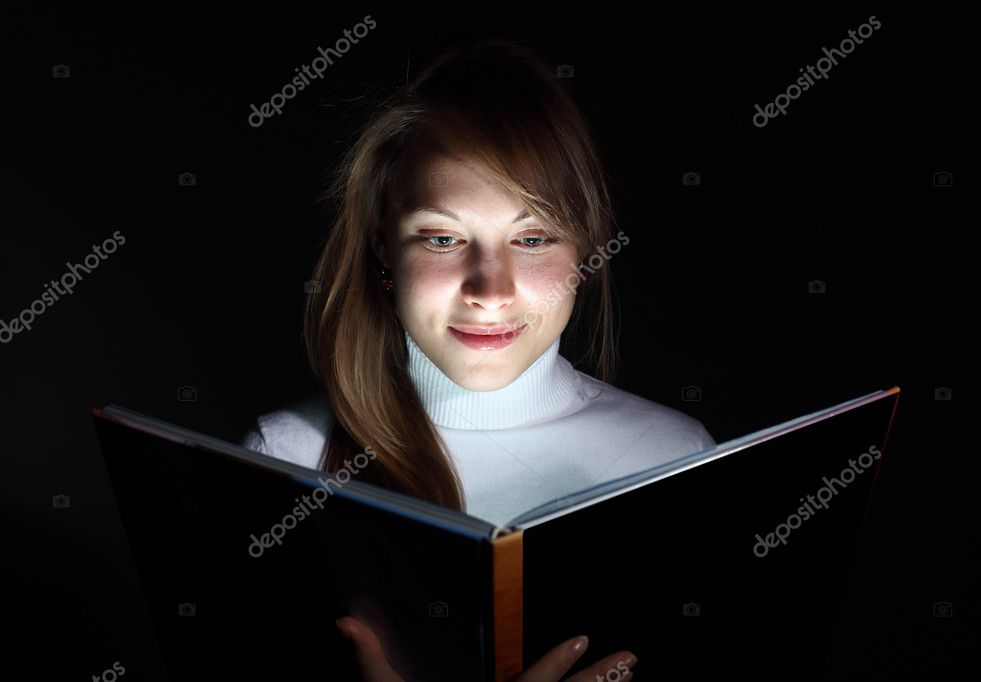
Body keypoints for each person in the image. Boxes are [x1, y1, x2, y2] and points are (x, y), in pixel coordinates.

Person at [242, 37, 715, 681]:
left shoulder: (676, 461)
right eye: (442, 237)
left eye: (533, 237)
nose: (490, 290)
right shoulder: (284, 459)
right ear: (383, 244)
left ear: (586, 248)